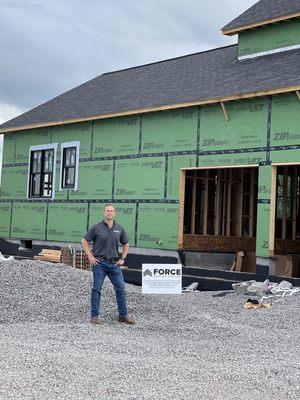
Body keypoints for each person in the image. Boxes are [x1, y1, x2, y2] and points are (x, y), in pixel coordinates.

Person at [82, 204, 135, 325]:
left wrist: (123, 258)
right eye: (107, 211)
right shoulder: (96, 228)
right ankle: (94, 316)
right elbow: (84, 241)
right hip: (99, 263)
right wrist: (90, 256)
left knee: (121, 289)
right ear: (104, 213)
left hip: (114, 264)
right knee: (97, 289)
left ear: (114, 213)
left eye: (111, 211)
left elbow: (126, 244)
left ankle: (123, 316)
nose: (109, 212)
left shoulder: (119, 228)